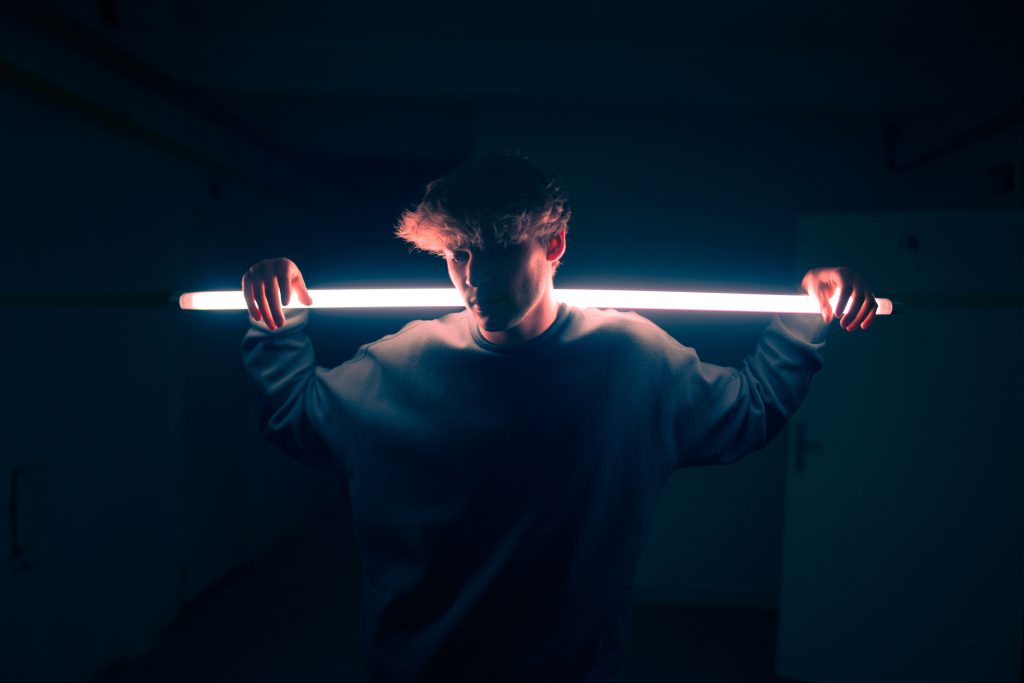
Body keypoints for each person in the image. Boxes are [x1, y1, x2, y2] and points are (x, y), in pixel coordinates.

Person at [240, 153, 877, 682]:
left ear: (555, 245)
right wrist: (277, 319)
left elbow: (748, 411)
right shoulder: (399, 364)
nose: (474, 278)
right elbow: (300, 421)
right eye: (458, 253)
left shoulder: (632, 359)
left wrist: (807, 312)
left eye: (496, 251)